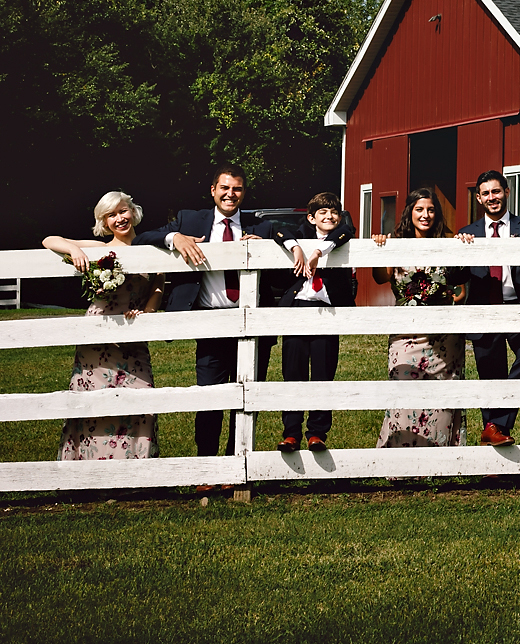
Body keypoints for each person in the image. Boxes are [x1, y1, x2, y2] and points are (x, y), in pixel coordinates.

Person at [137, 163, 264, 460]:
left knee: (246, 399)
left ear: (244, 192)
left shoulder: (260, 227)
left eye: (237, 189)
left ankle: (237, 463)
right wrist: (174, 238)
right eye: (225, 188)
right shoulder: (190, 220)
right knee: (209, 398)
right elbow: (141, 239)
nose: (230, 194)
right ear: (213, 190)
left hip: (252, 324)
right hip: (210, 322)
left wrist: (267, 247)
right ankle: (207, 464)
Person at [44, 192, 165, 460]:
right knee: (94, 401)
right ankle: (90, 471)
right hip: (98, 336)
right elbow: (49, 240)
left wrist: (147, 312)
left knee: (140, 397)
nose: (119, 218)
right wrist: (75, 249)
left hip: (134, 331)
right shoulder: (99, 247)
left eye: (123, 211)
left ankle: (135, 471)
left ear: (133, 212)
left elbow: (158, 283)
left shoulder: (151, 248)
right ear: (104, 221)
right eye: (111, 215)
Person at [254, 192, 356, 454]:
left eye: (333, 211)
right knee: (293, 372)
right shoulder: (300, 233)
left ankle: (317, 433)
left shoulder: (343, 234)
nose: (329, 216)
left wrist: (318, 252)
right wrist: (298, 248)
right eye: (322, 212)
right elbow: (278, 231)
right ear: (311, 218)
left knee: (323, 373)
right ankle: (291, 433)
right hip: (297, 309)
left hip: (327, 311)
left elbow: (344, 231)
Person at [370, 188, 470, 448]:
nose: (425, 215)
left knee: (440, 397)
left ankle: (438, 462)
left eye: (431, 210)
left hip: (443, 337)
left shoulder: (447, 243)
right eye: (419, 209)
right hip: (406, 333)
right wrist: (382, 248)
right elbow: (380, 277)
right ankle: (400, 458)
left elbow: (461, 289)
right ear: (409, 212)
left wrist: (463, 246)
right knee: (403, 391)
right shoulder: (395, 242)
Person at [455, 170, 520, 447]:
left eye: (496, 191)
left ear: (507, 192)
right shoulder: (467, 233)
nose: (492, 198)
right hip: (485, 311)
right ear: (479, 198)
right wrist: (461, 252)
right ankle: (492, 452)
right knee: (490, 378)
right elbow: (455, 278)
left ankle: (495, 426)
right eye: (486, 193)